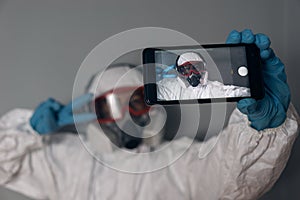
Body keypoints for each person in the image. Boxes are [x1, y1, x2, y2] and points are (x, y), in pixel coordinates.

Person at [0, 29, 299, 200]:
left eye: (138, 101)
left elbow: (231, 175)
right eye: (110, 106)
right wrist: (29, 131)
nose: (128, 116)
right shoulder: (70, 161)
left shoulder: (177, 162)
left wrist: (261, 128)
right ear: (93, 111)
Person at [157, 51, 251, 101]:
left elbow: (234, 92)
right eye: (186, 69)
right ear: (180, 73)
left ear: (204, 68)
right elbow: (150, 90)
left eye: (196, 67)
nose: (192, 73)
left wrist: (251, 92)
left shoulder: (213, 88)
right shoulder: (171, 87)